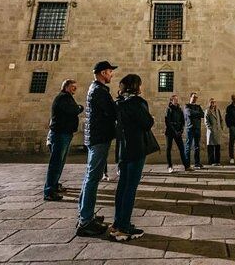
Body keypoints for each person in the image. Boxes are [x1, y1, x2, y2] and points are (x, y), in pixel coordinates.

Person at [76, 60, 118, 237]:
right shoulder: (99, 91)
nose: (111, 74)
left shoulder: (95, 89)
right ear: (102, 73)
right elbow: (112, 111)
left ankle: (85, 215)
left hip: (95, 137)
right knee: (93, 178)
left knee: (90, 177)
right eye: (109, 72)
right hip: (99, 137)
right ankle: (85, 222)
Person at [111, 74, 154, 242]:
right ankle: (124, 228)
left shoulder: (119, 103)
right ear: (136, 86)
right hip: (136, 148)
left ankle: (117, 223)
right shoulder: (137, 102)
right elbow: (147, 123)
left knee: (122, 186)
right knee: (130, 187)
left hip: (123, 149)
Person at [43, 79, 84, 201]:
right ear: (65, 87)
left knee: (59, 162)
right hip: (60, 134)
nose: (74, 89)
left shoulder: (66, 97)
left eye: (75, 87)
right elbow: (74, 110)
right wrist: (79, 107)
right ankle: (49, 191)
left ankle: (54, 185)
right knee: (56, 163)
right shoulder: (63, 98)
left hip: (64, 133)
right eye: (72, 87)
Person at [164, 94, 189, 173]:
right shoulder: (169, 109)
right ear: (171, 101)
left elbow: (182, 120)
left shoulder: (179, 109)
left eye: (177, 99)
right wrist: (174, 131)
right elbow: (168, 122)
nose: (176, 100)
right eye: (175, 99)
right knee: (168, 149)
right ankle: (170, 166)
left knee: (182, 149)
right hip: (170, 132)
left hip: (178, 132)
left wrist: (181, 130)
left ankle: (186, 166)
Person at [184, 92, 204, 169]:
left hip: (197, 128)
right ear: (190, 97)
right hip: (190, 128)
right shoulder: (187, 106)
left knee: (197, 146)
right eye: (193, 97)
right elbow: (189, 113)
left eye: (196, 97)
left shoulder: (198, 106)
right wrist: (197, 113)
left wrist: (195, 113)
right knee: (188, 146)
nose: (195, 98)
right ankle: (187, 164)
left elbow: (202, 115)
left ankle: (197, 163)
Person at [204, 98, 224, 166]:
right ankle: (211, 161)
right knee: (211, 147)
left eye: (214, 102)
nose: (213, 104)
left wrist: (221, 126)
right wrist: (210, 129)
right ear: (210, 103)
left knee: (217, 146)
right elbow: (206, 121)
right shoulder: (208, 111)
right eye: (212, 102)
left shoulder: (217, 110)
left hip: (217, 131)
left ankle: (217, 161)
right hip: (211, 132)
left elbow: (221, 119)